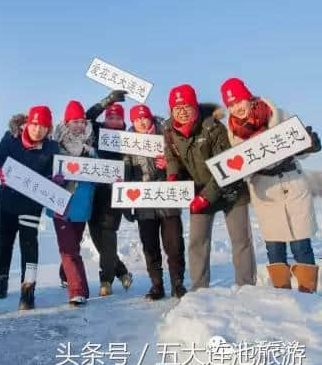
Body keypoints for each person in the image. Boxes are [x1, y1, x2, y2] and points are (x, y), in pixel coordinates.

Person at [220, 78, 320, 293]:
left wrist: (308, 145)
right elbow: (239, 169)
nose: (236, 108)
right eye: (230, 105)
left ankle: (308, 293)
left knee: (300, 243)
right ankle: (281, 294)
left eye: (239, 101)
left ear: (249, 98)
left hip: (292, 183)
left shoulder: (278, 115)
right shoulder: (233, 133)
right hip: (265, 189)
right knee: (274, 246)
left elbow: (299, 149)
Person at [164, 84, 257, 290]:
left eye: (186, 107)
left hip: (230, 190)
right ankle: (199, 289)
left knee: (241, 240)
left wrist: (206, 197)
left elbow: (226, 167)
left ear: (195, 107)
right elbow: (171, 155)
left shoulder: (214, 128)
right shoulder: (169, 130)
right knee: (197, 241)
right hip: (199, 190)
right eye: (177, 108)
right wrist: (172, 174)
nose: (182, 112)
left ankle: (246, 287)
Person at [0, 106, 60, 310]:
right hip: (7, 201)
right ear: (27, 123)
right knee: (5, 243)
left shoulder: (52, 148)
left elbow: (54, 172)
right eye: (35, 125)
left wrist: (56, 180)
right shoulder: (10, 139)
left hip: (31, 204)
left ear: (48, 129)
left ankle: (28, 289)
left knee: (29, 245)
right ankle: (2, 280)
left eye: (43, 127)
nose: (38, 130)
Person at [123, 104, 187, 300]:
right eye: (137, 119)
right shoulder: (129, 142)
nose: (142, 122)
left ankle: (178, 284)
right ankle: (157, 285)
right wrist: (126, 202)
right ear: (132, 122)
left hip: (167, 196)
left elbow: (182, 159)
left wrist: (169, 166)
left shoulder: (166, 134)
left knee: (174, 245)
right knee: (149, 246)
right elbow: (125, 170)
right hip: (143, 201)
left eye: (145, 118)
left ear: (151, 118)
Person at [84, 91, 133, 296]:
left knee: (109, 235)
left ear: (123, 120)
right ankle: (122, 271)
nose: (113, 120)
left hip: (117, 194)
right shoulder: (96, 132)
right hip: (95, 194)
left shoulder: (130, 139)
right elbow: (87, 117)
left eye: (117, 117)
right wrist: (107, 101)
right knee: (98, 239)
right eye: (110, 116)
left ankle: (106, 280)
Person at [49, 100, 96, 306]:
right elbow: (43, 167)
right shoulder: (55, 145)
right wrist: (54, 178)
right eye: (74, 121)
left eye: (81, 122)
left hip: (82, 203)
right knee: (68, 247)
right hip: (60, 202)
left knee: (73, 244)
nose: (78, 125)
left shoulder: (91, 147)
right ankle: (78, 290)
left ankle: (64, 273)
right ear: (66, 123)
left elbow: (99, 173)